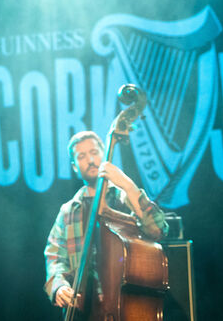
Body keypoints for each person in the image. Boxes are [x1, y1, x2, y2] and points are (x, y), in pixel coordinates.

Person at [43, 130, 168, 314]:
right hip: (84, 312)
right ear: (75, 166)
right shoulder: (68, 211)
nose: (91, 160)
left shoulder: (125, 198)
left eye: (94, 153)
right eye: (82, 156)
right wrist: (59, 287)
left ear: (104, 155)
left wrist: (126, 183)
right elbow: (55, 257)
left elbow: (158, 229)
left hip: (124, 309)